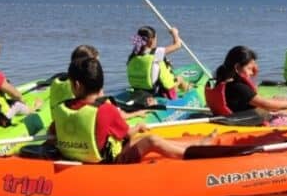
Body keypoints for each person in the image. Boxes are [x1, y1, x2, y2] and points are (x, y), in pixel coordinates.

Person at [49, 57, 210, 163]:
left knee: (139, 140)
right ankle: (192, 155)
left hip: (74, 157)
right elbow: (127, 134)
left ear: (76, 85)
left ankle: (196, 144)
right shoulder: (106, 110)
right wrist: (138, 127)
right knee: (151, 140)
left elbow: (53, 134)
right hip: (108, 163)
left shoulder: (61, 108)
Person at [206, 46, 287, 116]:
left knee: (277, 99)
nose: (251, 72)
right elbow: (268, 105)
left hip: (234, 117)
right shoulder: (238, 87)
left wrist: (286, 100)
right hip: (244, 121)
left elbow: (261, 100)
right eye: (249, 68)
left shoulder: (222, 81)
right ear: (237, 67)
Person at [126, 25, 191, 99]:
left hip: (140, 89)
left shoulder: (134, 54)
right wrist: (175, 33)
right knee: (179, 78)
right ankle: (190, 93)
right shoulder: (157, 53)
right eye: (156, 38)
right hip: (158, 92)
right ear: (151, 40)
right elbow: (178, 45)